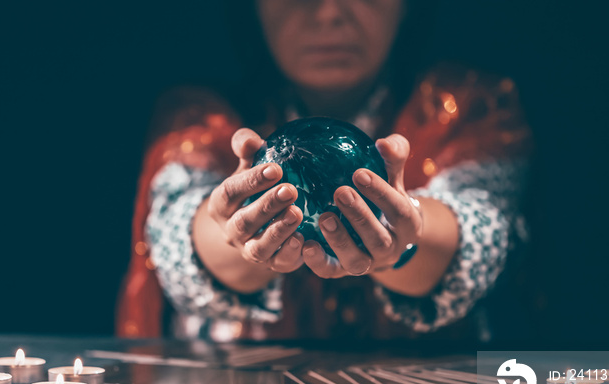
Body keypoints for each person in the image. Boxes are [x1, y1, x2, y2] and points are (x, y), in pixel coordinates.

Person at [117, 0, 532, 342]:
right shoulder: (197, 120)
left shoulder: (472, 108)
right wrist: (239, 231)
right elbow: (174, 240)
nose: (329, 12)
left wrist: (402, 241)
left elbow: (482, 235)